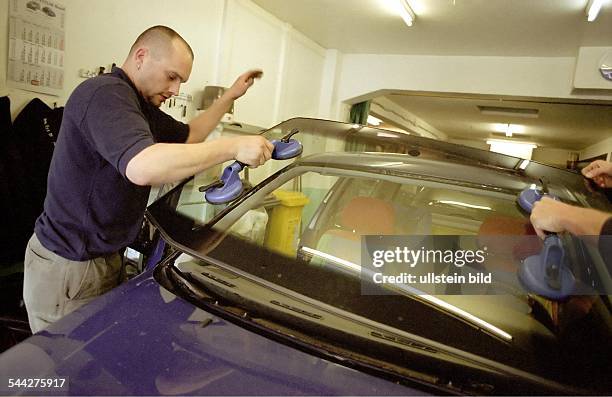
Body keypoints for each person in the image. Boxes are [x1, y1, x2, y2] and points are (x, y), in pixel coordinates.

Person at [23, 25, 274, 333]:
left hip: (101, 258)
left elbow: (190, 136)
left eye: (181, 81)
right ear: (141, 57)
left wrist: (230, 96)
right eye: (172, 76)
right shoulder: (105, 94)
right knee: (69, 373)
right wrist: (233, 146)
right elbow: (142, 167)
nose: (176, 90)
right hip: (70, 267)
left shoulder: (139, 105)